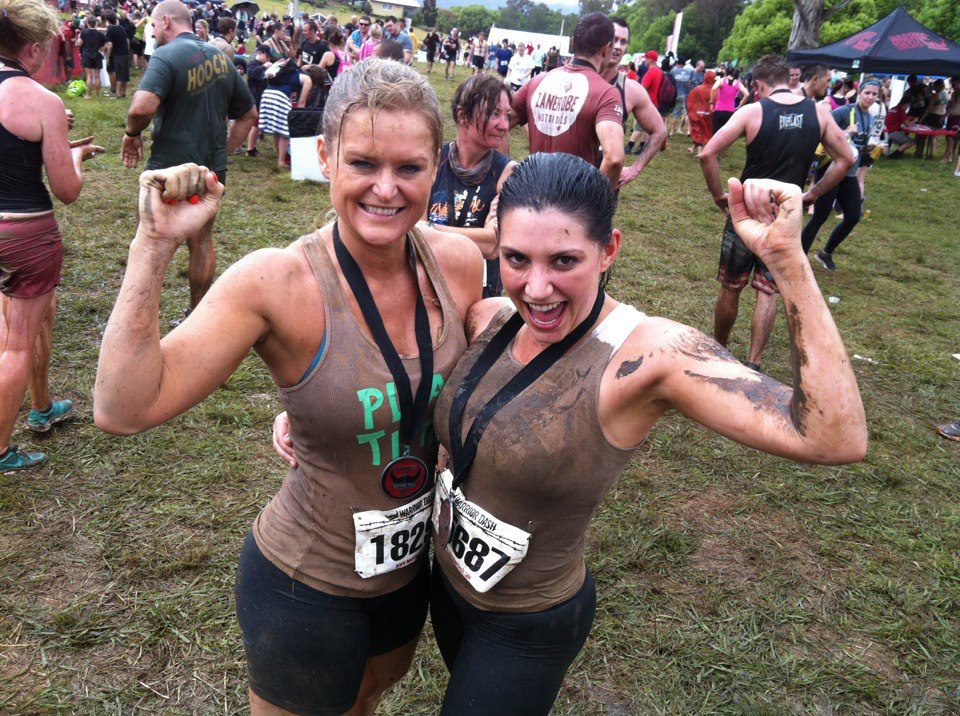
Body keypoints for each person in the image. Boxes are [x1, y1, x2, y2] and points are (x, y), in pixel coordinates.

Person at [266, 153, 870, 713]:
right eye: (516, 260)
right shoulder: (491, 318)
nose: (537, 288)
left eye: (564, 261)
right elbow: (408, 367)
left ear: (608, 251)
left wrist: (788, 262)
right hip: (445, 589)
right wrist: (319, 416)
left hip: (527, 621)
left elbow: (834, 437)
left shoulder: (649, 355)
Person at [95, 58, 483, 716]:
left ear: (436, 165)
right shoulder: (276, 282)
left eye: (409, 168)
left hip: (406, 573)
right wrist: (153, 244)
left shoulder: (459, 265)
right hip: (306, 583)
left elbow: (468, 388)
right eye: (363, 163)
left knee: (369, 697)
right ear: (325, 157)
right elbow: (122, 407)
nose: (386, 188)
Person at [0, 0, 104, 470]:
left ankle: (41, 406)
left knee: (27, 323)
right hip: (25, 233)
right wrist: (74, 156)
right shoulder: (43, 101)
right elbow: (67, 191)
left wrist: (54, 141)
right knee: (17, 343)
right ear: (32, 48)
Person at [699, 54, 852, 372]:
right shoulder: (818, 113)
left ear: (758, 85)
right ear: (788, 79)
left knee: (731, 285)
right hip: (785, 213)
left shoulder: (753, 111)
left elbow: (708, 153)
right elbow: (846, 159)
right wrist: (812, 195)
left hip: (746, 212)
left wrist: (719, 196)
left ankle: (719, 352)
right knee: (767, 291)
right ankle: (754, 362)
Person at [121, 0, 257, 317]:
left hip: (168, 170)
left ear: (167, 22)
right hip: (211, 169)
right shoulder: (221, 58)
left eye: (153, 25)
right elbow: (249, 114)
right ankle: (195, 313)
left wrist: (131, 134)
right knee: (202, 241)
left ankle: (139, 314)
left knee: (151, 242)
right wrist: (225, 150)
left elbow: (141, 108)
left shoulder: (166, 55)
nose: (152, 32)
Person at [508, 13, 625, 187]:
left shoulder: (537, 82)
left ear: (573, 42)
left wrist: (504, 168)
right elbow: (614, 159)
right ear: (606, 48)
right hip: (572, 197)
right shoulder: (606, 93)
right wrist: (596, 198)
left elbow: (497, 124)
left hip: (532, 190)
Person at [428, 74, 516, 298]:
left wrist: (429, 230)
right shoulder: (433, 162)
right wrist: (478, 236)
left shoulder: (507, 173)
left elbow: (493, 244)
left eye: (506, 115)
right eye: (494, 113)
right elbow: (410, 232)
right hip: (431, 285)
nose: (504, 125)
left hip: (479, 292)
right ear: (463, 115)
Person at [801, 80, 882, 272]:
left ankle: (825, 253)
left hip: (849, 173)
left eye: (874, 94)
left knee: (853, 216)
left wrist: (870, 148)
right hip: (831, 170)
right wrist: (845, 132)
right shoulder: (844, 112)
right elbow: (820, 133)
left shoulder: (869, 117)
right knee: (819, 217)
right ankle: (798, 259)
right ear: (859, 92)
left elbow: (857, 147)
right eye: (867, 93)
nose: (870, 97)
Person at [602, 17, 665, 187]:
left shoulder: (630, 89)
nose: (617, 46)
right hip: (566, 182)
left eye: (623, 42)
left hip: (605, 186)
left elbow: (659, 131)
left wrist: (635, 169)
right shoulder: (577, 79)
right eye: (614, 39)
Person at [258, 57, 312, 168]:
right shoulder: (307, 79)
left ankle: (280, 158)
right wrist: (298, 118)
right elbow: (301, 102)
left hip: (266, 95)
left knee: (277, 130)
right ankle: (281, 162)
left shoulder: (280, 72)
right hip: (280, 98)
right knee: (286, 132)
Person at [244, 44, 271, 157]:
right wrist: (264, 67)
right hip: (254, 98)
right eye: (267, 56)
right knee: (255, 124)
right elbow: (250, 74)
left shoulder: (260, 65)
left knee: (257, 124)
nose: (268, 59)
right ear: (260, 53)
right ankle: (250, 149)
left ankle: (252, 147)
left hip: (260, 98)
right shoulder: (253, 63)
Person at [686, 68, 715, 155]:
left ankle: (700, 153)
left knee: (698, 131)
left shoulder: (697, 89)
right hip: (708, 115)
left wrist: (692, 112)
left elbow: (690, 101)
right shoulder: (714, 91)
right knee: (706, 132)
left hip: (697, 114)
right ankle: (696, 149)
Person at [711, 67, 748, 134]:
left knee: (716, 133)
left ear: (726, 72)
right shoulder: (738, 83)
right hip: (730, 112)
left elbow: (713, 89)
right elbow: (747, 94)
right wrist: (739, 107)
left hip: (719, 110)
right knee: (726, 134)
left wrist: (711, 103)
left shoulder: (721, 80)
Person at [76, 14, 104, 98]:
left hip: (87, 54)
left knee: (89, 75)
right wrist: (101, 49)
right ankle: (97, 95)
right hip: (97, 55)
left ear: (87, 23)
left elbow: (79, 44)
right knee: (97, 76)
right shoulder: (100, 33)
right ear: (96, 23)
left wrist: (77, 37)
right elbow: (106, 44)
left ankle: (88, 95)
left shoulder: (84, 32)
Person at [104, 11, 130, 97]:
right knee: (125, 74)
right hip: (125, 53)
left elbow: (110, 45)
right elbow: (127, 41)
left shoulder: (110, 29)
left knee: (119, 74)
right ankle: (123, 92)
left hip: (117, 55)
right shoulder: (122, 28)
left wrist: (108, 57)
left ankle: (118, 93)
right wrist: (127, 51)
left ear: (108, 20)